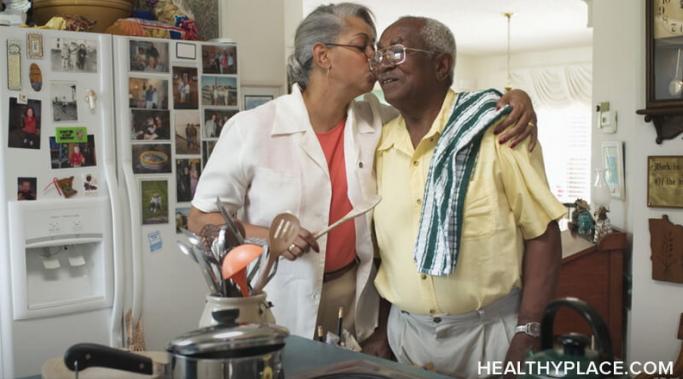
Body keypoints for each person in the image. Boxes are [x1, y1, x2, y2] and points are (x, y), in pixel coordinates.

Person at [189, 3, 535, 344]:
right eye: (363, 45)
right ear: (323, 56)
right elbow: (200, 219)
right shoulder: (252, 128)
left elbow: (440, 111)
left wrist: (512, 100)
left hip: (352, 299)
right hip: (273, 296)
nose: (376, 57)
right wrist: (268, 235)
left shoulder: (378, 120)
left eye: (378, 48)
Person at [366, 17, 565, 378]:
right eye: (379, 55)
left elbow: (543, 235)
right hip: (405, 337)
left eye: (396, 51)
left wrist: (528, 332)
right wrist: (381, 327)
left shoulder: (498, 128)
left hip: (489, 337)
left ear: (441, 65)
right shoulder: (378, 144)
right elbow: (383, 252)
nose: (384, 64)